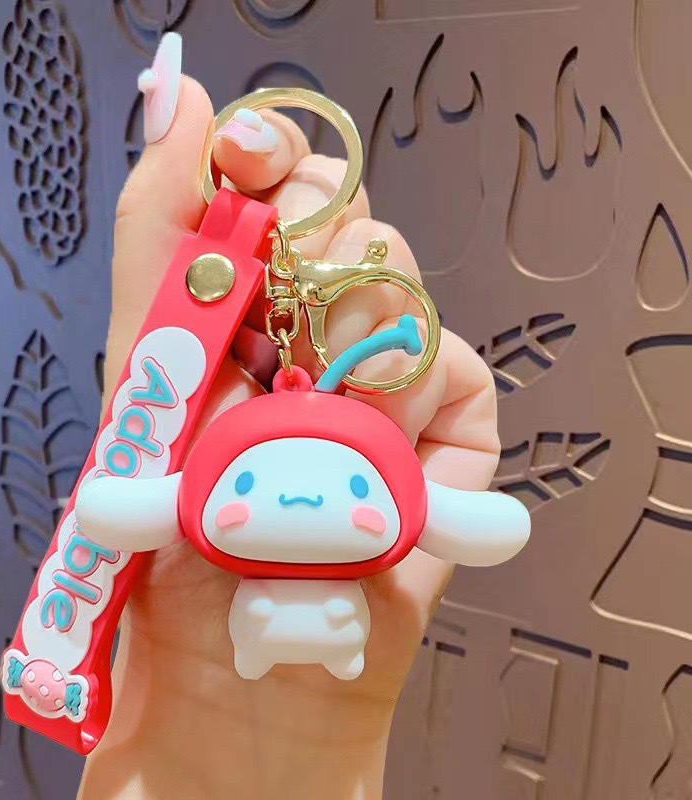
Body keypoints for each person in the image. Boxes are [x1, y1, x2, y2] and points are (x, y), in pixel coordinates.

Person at [78, 34, 501, 800]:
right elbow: (134, 509)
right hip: (245, 642)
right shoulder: (194, 502)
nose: (304, 499)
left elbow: (126, 509)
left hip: (333, 649)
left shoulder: (382, 511)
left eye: (356, 489)